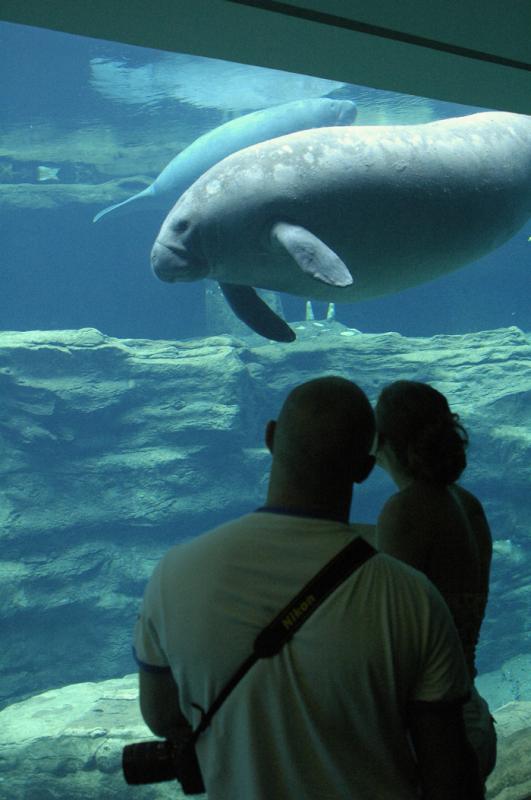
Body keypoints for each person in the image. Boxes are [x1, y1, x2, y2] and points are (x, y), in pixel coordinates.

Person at [133, 376, 483, 800]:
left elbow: (162, 716)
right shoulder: (413, 595)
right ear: (364, 466)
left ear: (270, 437)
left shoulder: (172, 574)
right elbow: (447, 772)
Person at [373, 379, 496, 784]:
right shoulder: (465, 502)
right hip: (469, 712)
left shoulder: (404, 510)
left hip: (429, 737)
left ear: (383, 441)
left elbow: (390, 632)